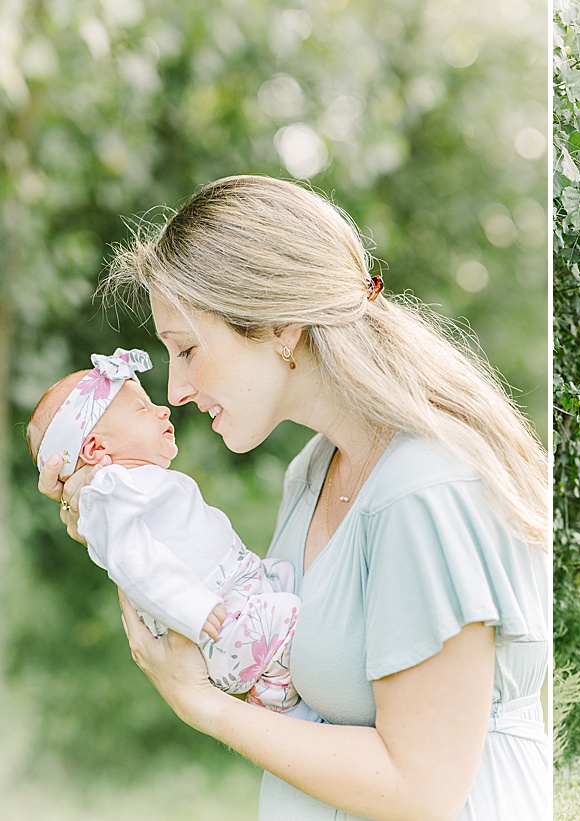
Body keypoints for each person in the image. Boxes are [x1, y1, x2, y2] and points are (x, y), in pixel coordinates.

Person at [37, 174, 550, 821]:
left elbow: (421, 787)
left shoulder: (420, 490)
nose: (177, 390)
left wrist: (204, 706)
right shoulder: (312, 473)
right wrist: (108, 507)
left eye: (188, 349)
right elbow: (265, 648)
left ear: (280, 324)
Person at [28, 347, 311, 716]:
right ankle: (273, 696)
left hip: (235, 590)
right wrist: (191, 606)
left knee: (286, 578)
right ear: (97, 448)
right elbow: (135, 562)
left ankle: (277, 678)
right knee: (292, 613)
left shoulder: (130, 484)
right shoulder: (108, 493)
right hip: (213, 623)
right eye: (142, 409)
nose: (163, 409)